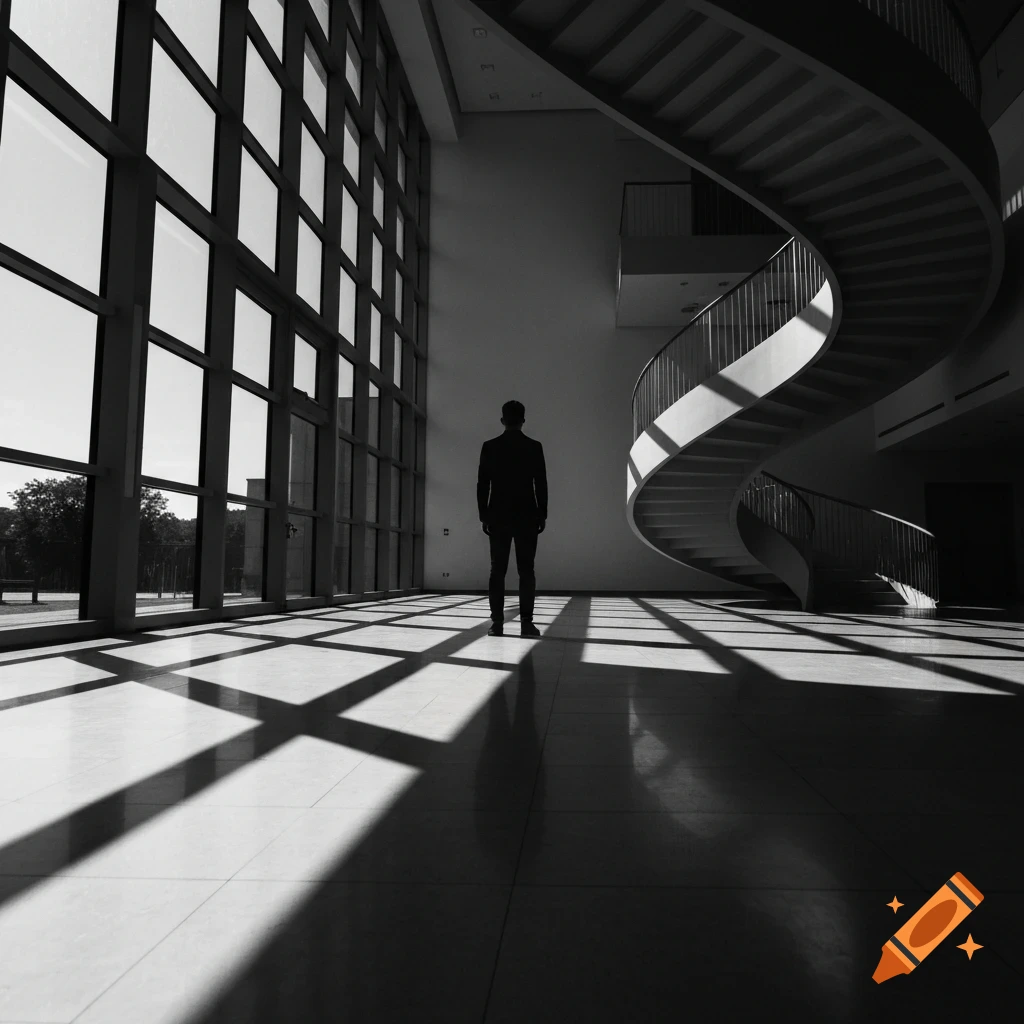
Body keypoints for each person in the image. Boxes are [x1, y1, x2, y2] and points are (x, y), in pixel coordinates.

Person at [477, 400, 547, 637]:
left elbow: (482, 484)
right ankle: (526, 621)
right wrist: (542, 513)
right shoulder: (534, 447)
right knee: (526, 570)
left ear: (502, 420)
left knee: (497, 570)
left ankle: (497, 622)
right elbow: (541, 484)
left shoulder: (490, 447)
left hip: (498, 515)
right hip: (527, 515)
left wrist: (483, 515)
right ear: (523, 420)